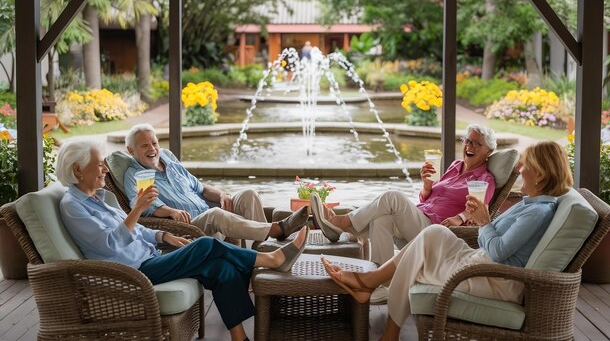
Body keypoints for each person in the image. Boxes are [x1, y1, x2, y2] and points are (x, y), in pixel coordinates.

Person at [56, 140, 309, 341]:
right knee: (205, 244)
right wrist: (137, 210)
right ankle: (271, 259)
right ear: (78, 170)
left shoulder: (101, 198)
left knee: (220, 269)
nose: (105, 169)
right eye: (99, 165)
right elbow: (109, 244)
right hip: (131, 272)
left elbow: (136, 231)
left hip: (149, 258)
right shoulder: (73, 206)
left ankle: (239, 338)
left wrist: (163, 235)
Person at [321, 141, 572, 340]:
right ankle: (372, 287)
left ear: (539, 176)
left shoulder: (536, 212)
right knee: (431, 235)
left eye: (526, 166)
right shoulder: (533, 204)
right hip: (480, 260)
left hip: (494, 278)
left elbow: (498, 252)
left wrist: (483, 221)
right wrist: (429, 188)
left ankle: (380, 309)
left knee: (420, 246)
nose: (519, 170)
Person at [310, 124, 497, 265]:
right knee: (381, 220)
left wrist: (459, 217)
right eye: (467, 140)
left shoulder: (484, 179)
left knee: (393, 197)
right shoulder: (455, 166)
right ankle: (381, 280)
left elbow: (481, 207)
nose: (469, 146)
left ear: (488, 151)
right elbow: (427, 198)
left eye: (476, 143)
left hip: (434, 228)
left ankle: (344, 223)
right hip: (419, 216)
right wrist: (427, 185)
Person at [122, 123, 308, 244]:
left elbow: (200, 188)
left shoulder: (170, 163)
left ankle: (263, 250)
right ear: (131, 150)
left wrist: (221, 195)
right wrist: (170, 211)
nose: (152, 149)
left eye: (154, 143)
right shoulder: (135, 175)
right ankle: (277, 230)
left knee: (248, 194)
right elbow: (144, 207)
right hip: (189, 226)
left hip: (207, 211)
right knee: (216, 214)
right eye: (144, 145)